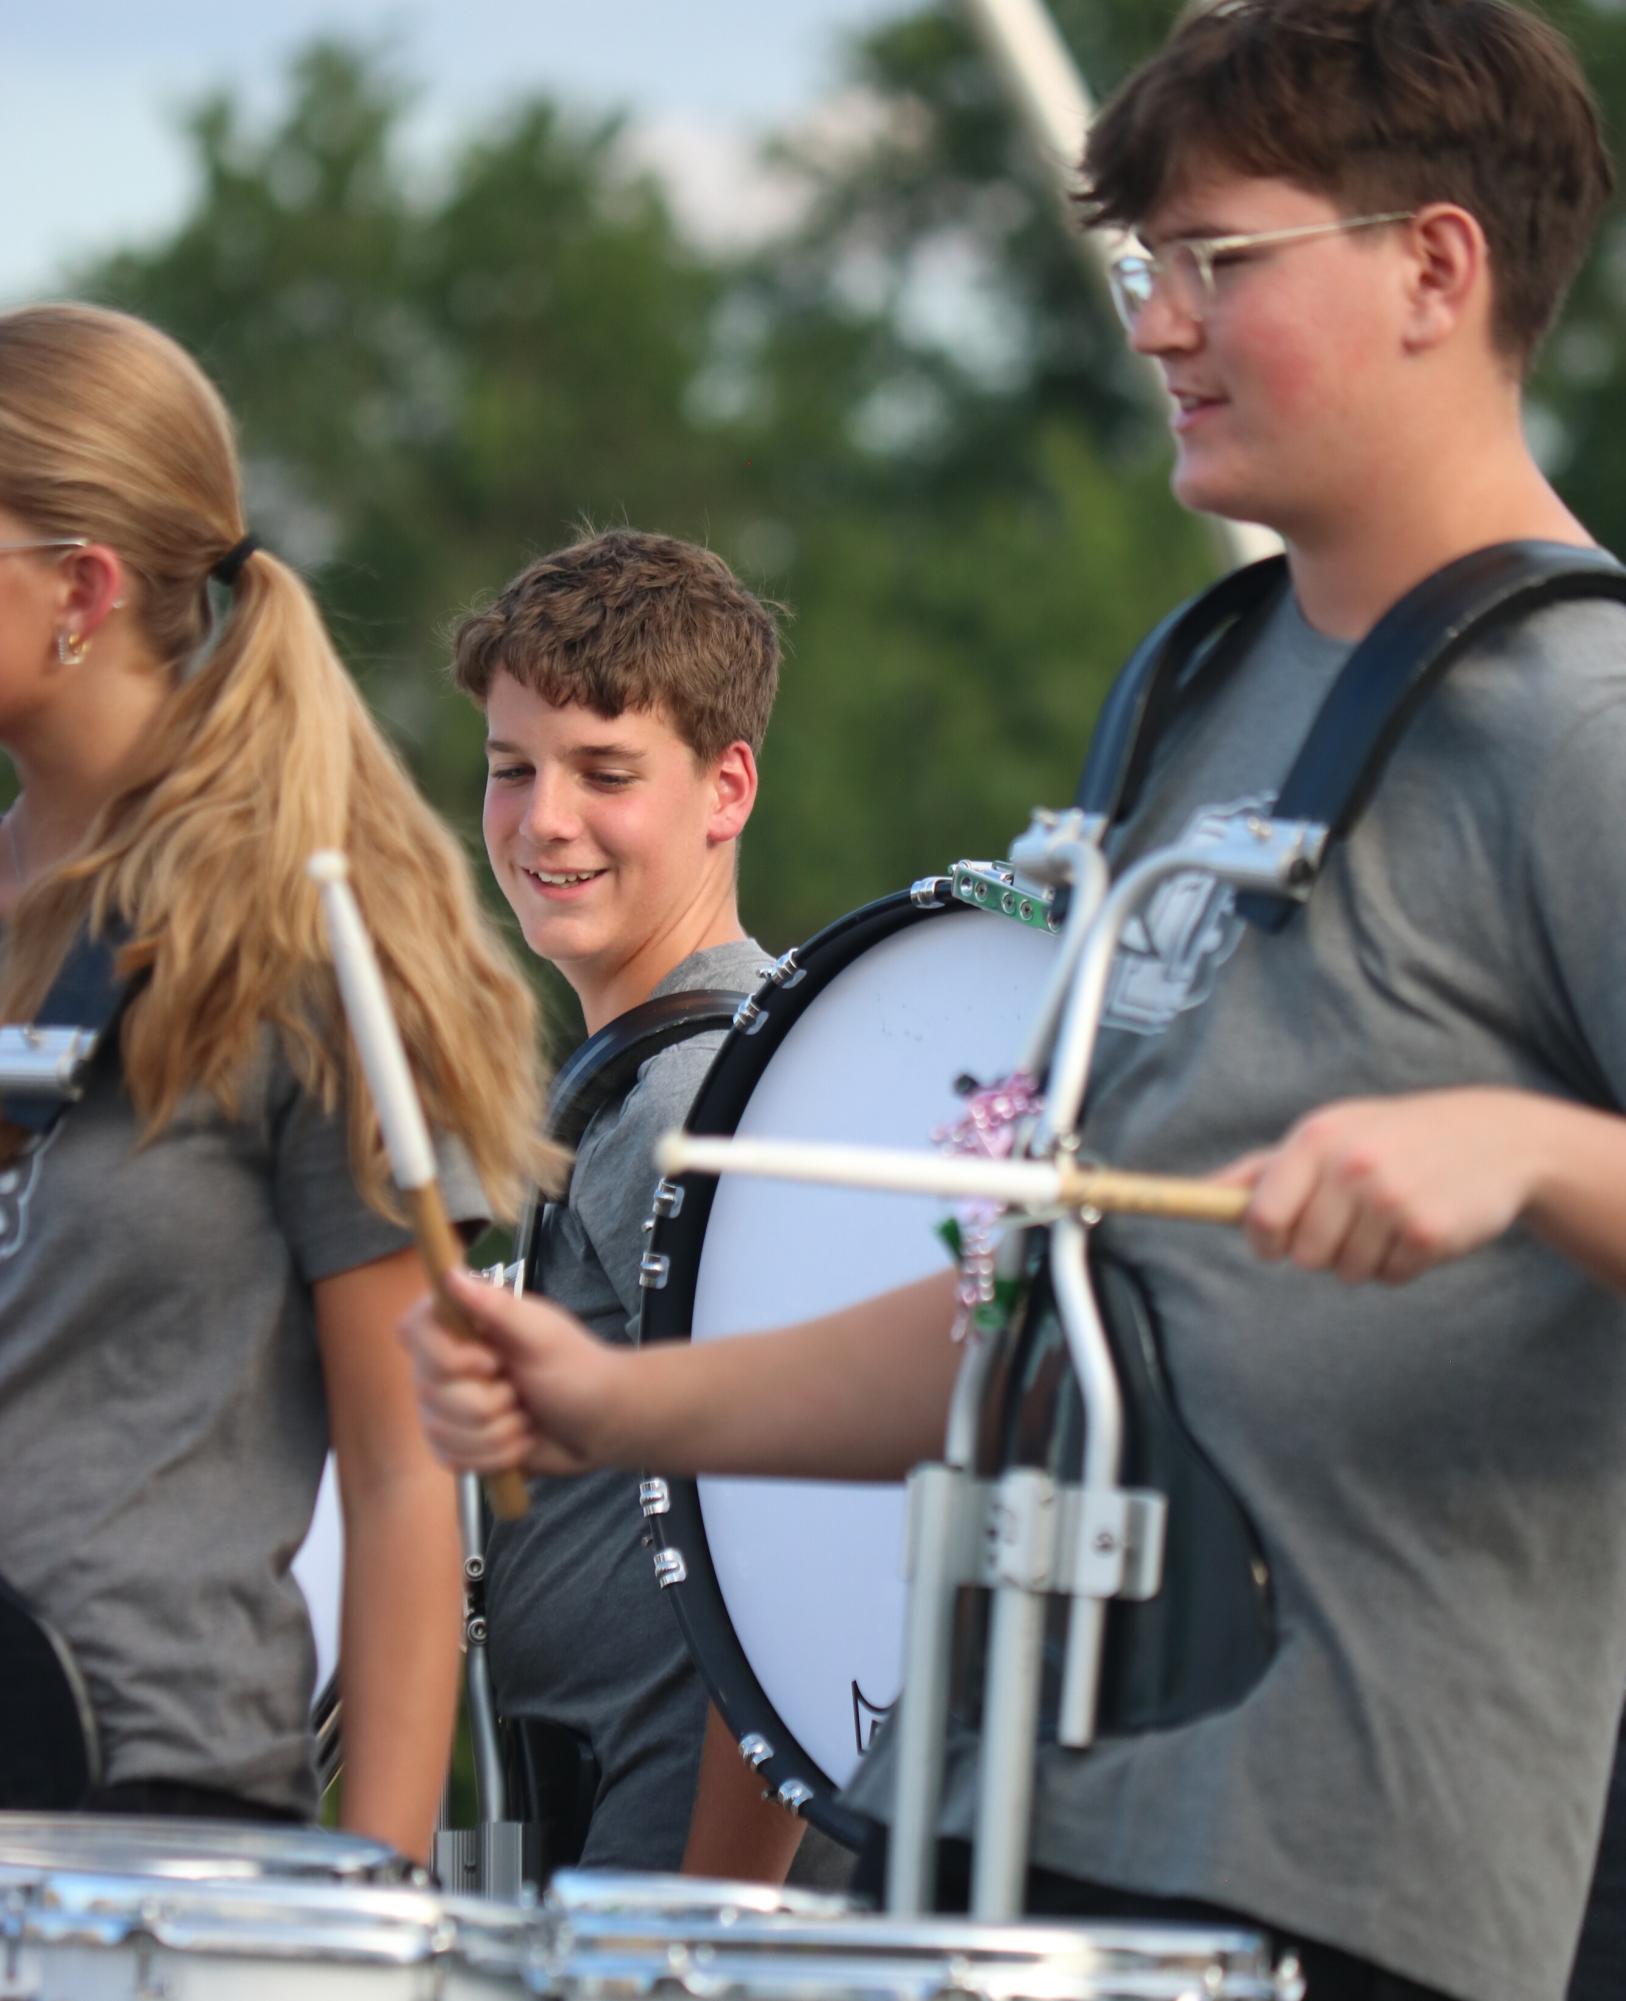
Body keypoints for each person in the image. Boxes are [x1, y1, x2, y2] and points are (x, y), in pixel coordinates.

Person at [402, 2, 1626, 1995]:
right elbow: (1053, 1306)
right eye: (1147, 267)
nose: (1154, 322)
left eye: (1214, 262)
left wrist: (1536, 1149)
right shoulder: (1197, 693)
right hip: (991, 1825)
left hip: (1331, 1891)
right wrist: (625, 1399)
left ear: (1436, 265)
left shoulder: (1583, 721)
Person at [0, 302, 551, 1863]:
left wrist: (366, 1914)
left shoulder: (312, 935)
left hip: (140, 1825)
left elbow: (399, 1478)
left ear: (80, 591)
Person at [452, 527, 831, 1881]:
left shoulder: (690, 1103)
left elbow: (796, 1527)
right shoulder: (660, 1076)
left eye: (605, 773)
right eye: (511, 768)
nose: (544, 818)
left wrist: (698, 1928)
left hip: (684, 1864)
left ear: (726, 787)